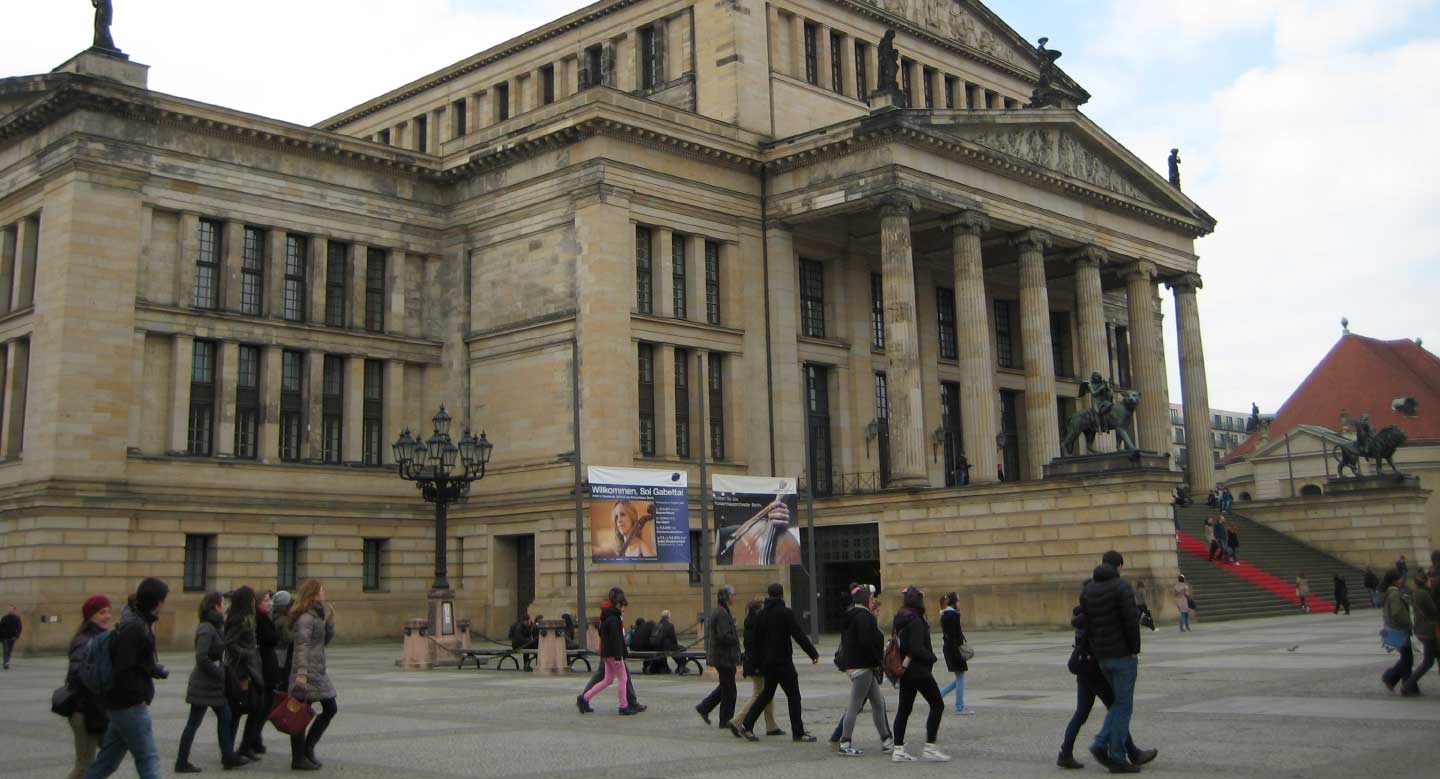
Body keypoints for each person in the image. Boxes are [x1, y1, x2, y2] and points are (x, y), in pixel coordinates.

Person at [1059, 583, 1158, 770]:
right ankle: (1132, 753)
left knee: (1082, 713)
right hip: (1095, 670)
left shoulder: (1081, 614)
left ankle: (1065, 754)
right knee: (1117, 708)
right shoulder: (1092, 617)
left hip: (1084, 669)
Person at [85, 577, 170, 779]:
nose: (164, 604)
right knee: (148, 759)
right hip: (129, 705)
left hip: (119, 705)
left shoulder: (135, 621)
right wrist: (137, 695)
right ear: (156, 601)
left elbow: (132, 661)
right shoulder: (135, 627)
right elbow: (124, 668)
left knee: (107, 763)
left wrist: (153, 669)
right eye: (164, 600)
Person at [1080, 551, 1143, 773]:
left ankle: (1102, 744)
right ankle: (1115, 755)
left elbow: (1086, 624)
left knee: (1118, 704)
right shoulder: (1121, 587)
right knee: (1123, 706)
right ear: (1118, 567)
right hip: (1122, 655)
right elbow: (1130, 621)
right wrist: (1134, 649)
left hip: (1102, 657)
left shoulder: (1088, 589)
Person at [731, 583, 819, 743]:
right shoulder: (785, 613)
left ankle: (746, 725)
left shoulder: (761, 615)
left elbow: (755, 642)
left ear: (769, 595)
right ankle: (798, 732)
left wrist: (756, 663)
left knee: (766, 694)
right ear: (781, 595)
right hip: (783, 662)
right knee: (793, 696)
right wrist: (812, 653)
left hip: (767, 664)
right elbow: (798, 634)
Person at [175, 592, 243, 772]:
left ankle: (228, 757)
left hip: (213, 684)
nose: (224, 606)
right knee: (194, 722)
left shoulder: (214, 625)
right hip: (204, 684)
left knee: (225, 716)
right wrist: (219, 673)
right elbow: (201, 657)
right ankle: (181, 762)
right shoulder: (207, 627)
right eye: (222, 603)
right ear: (215, 606)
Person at [889, 586, 949, 763]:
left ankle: (898, 749)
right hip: (919, 671)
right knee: (937, 704)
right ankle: (930, 747)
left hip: (905, 671)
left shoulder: (900, 618)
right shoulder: (915, 620)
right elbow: (916, 648)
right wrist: (932, 657)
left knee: (904, 710)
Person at [835, 585, 891, 756]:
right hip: (863, 666)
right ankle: (845, 742)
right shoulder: (864, 618)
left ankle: (886, 739)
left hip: (856, 664)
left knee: (877, 702)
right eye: (872, 598)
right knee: (855, 705)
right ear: (866, 599)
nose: (874, 601)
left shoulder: (852, 615)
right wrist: (877, 660)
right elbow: (866, 643)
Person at [287, 580, 337, 770]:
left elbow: (323, 642)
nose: (324, 593)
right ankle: (299, 757)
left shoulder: (317, 615)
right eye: (322, 591)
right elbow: (302, 646)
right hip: (306, 672)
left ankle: (307, 749)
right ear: (314, 594)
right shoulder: (306, 618)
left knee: (330, 708)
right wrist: (301, 673)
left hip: (317, 671)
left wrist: (330, 623)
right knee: (300, 714)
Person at [65, 595, 113, 779]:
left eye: (109, 611)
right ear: (90, 616)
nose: (107, 616)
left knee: (108, 759)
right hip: (84, 710)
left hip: (99, 710)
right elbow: (78, 672)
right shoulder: (85, 641)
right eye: (102, 612)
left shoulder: (101, 637)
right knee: (84, 767)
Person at [578, 587, 637, 715]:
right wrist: (618, 656)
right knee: (623, 679)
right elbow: (616, 640)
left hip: (605, 653)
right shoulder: (615, 619)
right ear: (618, 604)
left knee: (608, 679)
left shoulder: (605, 616)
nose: (623, 609)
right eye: (622, 606)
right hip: (614, 654)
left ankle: (585, 698)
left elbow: (601, 633)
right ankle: (624, 706)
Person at [223, 587, 265, 763]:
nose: (255, 602)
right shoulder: (238, 620)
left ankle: (245, 746)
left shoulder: (249, 618)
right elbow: (230, 644)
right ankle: (229, 751)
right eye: (252, 599)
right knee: (237, 710)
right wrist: (248, 652)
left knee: (256, 708)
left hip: (251, 669)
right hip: (240, 671)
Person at [733, 598, 781, 737]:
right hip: (757, 665)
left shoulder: (750, 623)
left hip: (754, 663)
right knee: (759, 695)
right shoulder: (756, 624)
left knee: (767, 694)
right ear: (758, 611)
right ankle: (737, 721)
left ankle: (771, 726)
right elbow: (758, 648)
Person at [696, 585, 740, 730]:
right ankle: (725, 720)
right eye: (733, 594)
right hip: (724, 657)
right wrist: (735, 639)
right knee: (730, 691)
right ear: (727, 597)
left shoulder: (721, 611)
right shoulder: (722, 613)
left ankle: (704, 707)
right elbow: (723, 636)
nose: (735, 597)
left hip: (722, 656)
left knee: (725, 686)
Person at [1400, 569, 1437, 696]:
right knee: (1428, 662)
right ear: (1425, 581)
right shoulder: (1424, 594)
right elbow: (1433, 612)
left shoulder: (1416, 593)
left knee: (1431, 660)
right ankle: (1407, 685)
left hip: (1421, 629)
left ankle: (1408, 685)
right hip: (1428, 631)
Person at [253, 591, 279, 755]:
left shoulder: (265, 617)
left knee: (267, 704)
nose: (269, 604)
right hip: (263, 665)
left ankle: (255, 738)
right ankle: (253, 739)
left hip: (268, 665)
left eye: (269, 601)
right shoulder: (258, 619)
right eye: (266, 601)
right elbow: (272, 638)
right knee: (263, 705)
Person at [937, 592, 973, 713]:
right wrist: (958, 653)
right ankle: (959, 707)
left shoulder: (946, 614)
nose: (959, 602)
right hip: (954, 650)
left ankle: (938, 696)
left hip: (949, 648)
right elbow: (954, 636)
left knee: (959, 678)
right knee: (960, 677)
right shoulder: (953, 615)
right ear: (954, 602)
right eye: (958, 600)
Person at [1379, 570, 1413, 694]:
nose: (1401, 581)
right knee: (1407, 658)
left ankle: (1403, 683)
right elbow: (1397, 612)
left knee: (1407, 658)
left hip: (1395, 629)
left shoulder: (1389, 592)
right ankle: (1393, 679)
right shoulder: (1394, 593)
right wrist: (1407, 623)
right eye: (1399, 579)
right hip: (1400, 630)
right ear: (1394, 581)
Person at [271, 591, 294, 687]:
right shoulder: (283, 620)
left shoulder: (274, 617)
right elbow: (289, 638)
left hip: (276, 655)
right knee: (283, 684)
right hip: (282, 657)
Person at [0, 604, 20, 670]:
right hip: (4, 637)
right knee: (6, 650)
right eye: (9, 609)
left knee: (9, 651)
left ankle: (7, 663)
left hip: (12, 637)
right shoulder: (4, 618)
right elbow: (1, 627)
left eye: (11, 609)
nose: (10, 610)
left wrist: (16, 636)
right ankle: (5, 663)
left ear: (14, 610)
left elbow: (19, 628)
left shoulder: (17, 618)